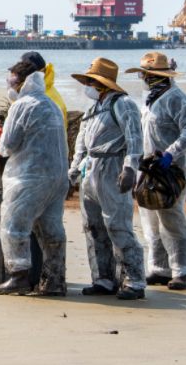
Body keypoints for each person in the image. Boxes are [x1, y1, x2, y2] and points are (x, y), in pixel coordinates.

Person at [67, 58, 146, 300]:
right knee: (93, 228)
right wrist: (74, 170)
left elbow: (135, 138)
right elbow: (81, 144)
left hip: (112, 167)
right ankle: (103, 279)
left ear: (103, 84)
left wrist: (130, 168)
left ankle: (134, 281)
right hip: (89, 169)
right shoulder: (92, 110)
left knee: (118, 226)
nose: (87, 85)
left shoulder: (123, 104)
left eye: (90, 81)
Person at [0, 59, 70, 296]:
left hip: (30, 177)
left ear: (23, 82)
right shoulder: (51, 104)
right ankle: (55, 280)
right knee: (51, 229)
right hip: (57, 178)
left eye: (13, 81)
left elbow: (7, 145)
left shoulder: (22, 105)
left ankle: (19, 276)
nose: (10, 86)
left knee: (13, 225)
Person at [124, 52, 186, 291]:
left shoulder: (176, 97)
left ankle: (181, 271)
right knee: (151, 222)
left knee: (172, 219)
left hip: (171, 170)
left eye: (148, 74)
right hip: (148, 171)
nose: (145, 78)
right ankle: (159, 268)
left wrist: (171, 153)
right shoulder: (150, 99)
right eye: (145, 74)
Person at [18, 52, 68, 135]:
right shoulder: (32, 91)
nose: (16, 76)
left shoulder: (51, 100)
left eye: (20, 72)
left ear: (34, 74)